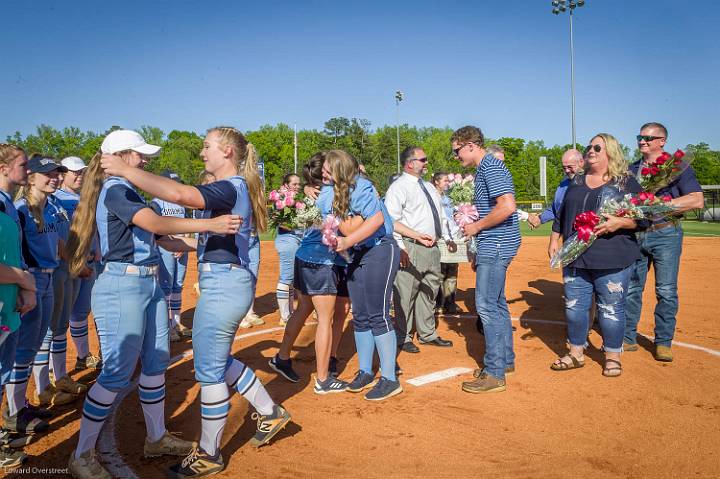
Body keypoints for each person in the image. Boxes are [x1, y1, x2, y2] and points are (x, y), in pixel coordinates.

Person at [100, 127, 292, 478]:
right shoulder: (233, 188)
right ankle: (270, 412)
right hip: (227, 282)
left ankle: (209, 454)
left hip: (223, 285)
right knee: (218, 360)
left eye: (207, 147)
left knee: (209, 371)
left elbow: (181, 194)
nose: (202, 153)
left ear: (228, 152)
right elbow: (201, 229)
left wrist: (127, 170)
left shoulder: (229, 186)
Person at [66, 129, 238, 479]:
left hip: (147, 282)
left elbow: (164, 239)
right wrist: (210, 225)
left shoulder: (127, 190)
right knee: (115, 373)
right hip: (121, 285)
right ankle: (81, 454)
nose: (145, 160)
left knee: (157, 362)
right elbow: (156, 222)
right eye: (139, 154)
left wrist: (209, 244)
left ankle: (156, 437)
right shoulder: (115, 191)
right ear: (122, 155)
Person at [548, 133, 647, 377]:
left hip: (612, 257)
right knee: (574, 307)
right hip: (574, 256)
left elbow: (646, 216)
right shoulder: (577, 181)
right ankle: (576, 353)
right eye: (588, 147)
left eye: (597, 147)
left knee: (611, 309)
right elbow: (562, 213)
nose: (590, 150)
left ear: (610, 152)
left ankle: (612, 355)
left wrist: (620, 223)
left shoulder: (625, 182)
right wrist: (554, 239)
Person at [270, 153, 355, 392]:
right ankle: (323, 379)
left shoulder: (313, 195)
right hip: (322, 261)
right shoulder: (330, 195)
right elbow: (345, 227)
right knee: (325, 319)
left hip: (305, 256)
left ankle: (282, 357)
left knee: (304, 309)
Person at [624, 122, 704, 361]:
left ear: (662, 141)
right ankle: (627, 337)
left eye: (648, 138)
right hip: (637, 233)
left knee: (666, 290)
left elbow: (696, 200)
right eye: (640, 137)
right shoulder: (631, 169)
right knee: (631, 289)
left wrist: (661, 205)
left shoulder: (677, 168)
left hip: (665, 234)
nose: (642, 141)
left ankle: (663, 342)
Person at [4, 156, 71, 435]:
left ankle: (20, 404)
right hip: (29, 280)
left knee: (32, 344)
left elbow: (55, 243)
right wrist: (23, 287)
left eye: (57, 173)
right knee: (21, 347)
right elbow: (16, 251)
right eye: (48, 173)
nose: (54, 177)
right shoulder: (20, 208)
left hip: (47, 277)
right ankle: (14, 411)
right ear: (31, 177)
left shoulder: (49, 207)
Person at [328, 150, 402, 401]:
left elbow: (378, 219)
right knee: (360, 316)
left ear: (339, 168)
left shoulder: (362, 186)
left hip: (380, 249)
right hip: (358, 253)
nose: (323, 173)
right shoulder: (335, 191)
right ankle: (365, 371)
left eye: (328, 168)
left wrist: (346, 240)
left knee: (377, 314)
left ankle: (390, 378)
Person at [451, 126, 520, 394]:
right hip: (497, 243)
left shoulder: (490, 167)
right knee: (497, 304)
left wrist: (476, 227)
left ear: (470, 145)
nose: (456, 156)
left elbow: (507, 206)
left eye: (457, 151)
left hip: (497, 243)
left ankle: (494, 373)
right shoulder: (486, 168)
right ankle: (504, 361)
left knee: (487, 306)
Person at [384, 146, 455, 354]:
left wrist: (448, 237)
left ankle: (427, 333)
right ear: (410, 163)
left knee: (430, 290)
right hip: (411, 247)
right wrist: (400, 247)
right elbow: (391, 220)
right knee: (406, 293)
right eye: (422, 160)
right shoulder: (398, 188)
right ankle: (403, 335)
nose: (426, 163)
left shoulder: (429, 187)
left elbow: (440, 215)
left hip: (432, 248)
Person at [0, 143, 35, 466]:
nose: (28, 170)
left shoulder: (8, 206)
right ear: (3, 169)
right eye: (23, 165)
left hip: (8, 304)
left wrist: (24, 289)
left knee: (2, 371)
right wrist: (25, 280)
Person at [55, 156, 103, 371]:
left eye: (81, 171)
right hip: (69, 265)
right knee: (59, 319)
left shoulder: (87, 197)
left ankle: (83, 356)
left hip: (90, 261)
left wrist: (98, 247)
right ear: (63, 174)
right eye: (73, 172)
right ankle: (52, 368)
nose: (78, 175)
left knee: (81, 312)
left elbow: (94, 228)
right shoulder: (56, 198)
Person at [151, 170, 192, 342]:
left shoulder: (181, 202)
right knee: (166, 286)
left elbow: (189, 224)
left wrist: (185, 241)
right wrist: (172, 243)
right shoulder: (156, 203)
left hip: (181, 247)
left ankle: (176, 323)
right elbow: (155, 229)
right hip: (165, 248)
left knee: (178, 285)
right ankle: (166, 325)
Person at [528, 149, 585, 228]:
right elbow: (556, 209)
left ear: (581, 162)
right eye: (564, 168)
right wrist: (539, 218)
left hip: (587, 232)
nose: (567, 170)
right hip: (567, 233)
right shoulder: (563, 184)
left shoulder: (592, 182)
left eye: (570, 167)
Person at [273, 173, 303, 326]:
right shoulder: (281, 199)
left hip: (294, 240)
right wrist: (301, 223)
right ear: (286, 184)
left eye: (299, 184)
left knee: (290, 278)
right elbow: (281, 222)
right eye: (294, 184)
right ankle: (285, 316)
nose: (297, 186)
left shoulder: (296, 199)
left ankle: (289, 312)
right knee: (286, 277)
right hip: (287, 240)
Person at [431, 172, 461, 314]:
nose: (447, 183)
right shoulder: (431, 197)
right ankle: (437, 303)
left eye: (448, 181)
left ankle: (450, 302)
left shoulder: (449, 199)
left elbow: (454, 216)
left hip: (452, 237)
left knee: (452, 270)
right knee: (439, 272)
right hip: (438, 238)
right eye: (445, 181)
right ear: (436, 182)